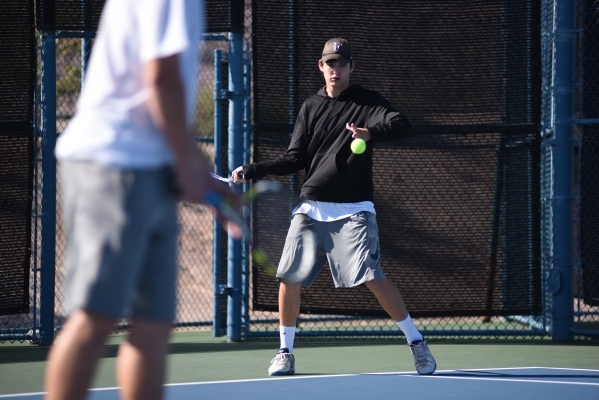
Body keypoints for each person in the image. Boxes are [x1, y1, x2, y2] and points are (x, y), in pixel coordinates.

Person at [44, 1, 240, 399]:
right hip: (112, 162)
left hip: (153, 166)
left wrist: (192, 168)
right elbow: (161, 78)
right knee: (96, 316)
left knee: (152, 324)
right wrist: (188, 164)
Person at [231, 38, 436, 376]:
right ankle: (284, 351)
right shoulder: (310, 107)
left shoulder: (367, 102)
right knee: (289, 276)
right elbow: (295, 158)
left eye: (341, 64)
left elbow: (402, 124)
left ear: (351, 67)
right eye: (330, 63)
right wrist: (253, 170)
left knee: (371, 277)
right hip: (312, 206)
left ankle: (416, 343)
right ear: (321, 66)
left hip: (354, 208)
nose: (335, 70)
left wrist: (369, 133)